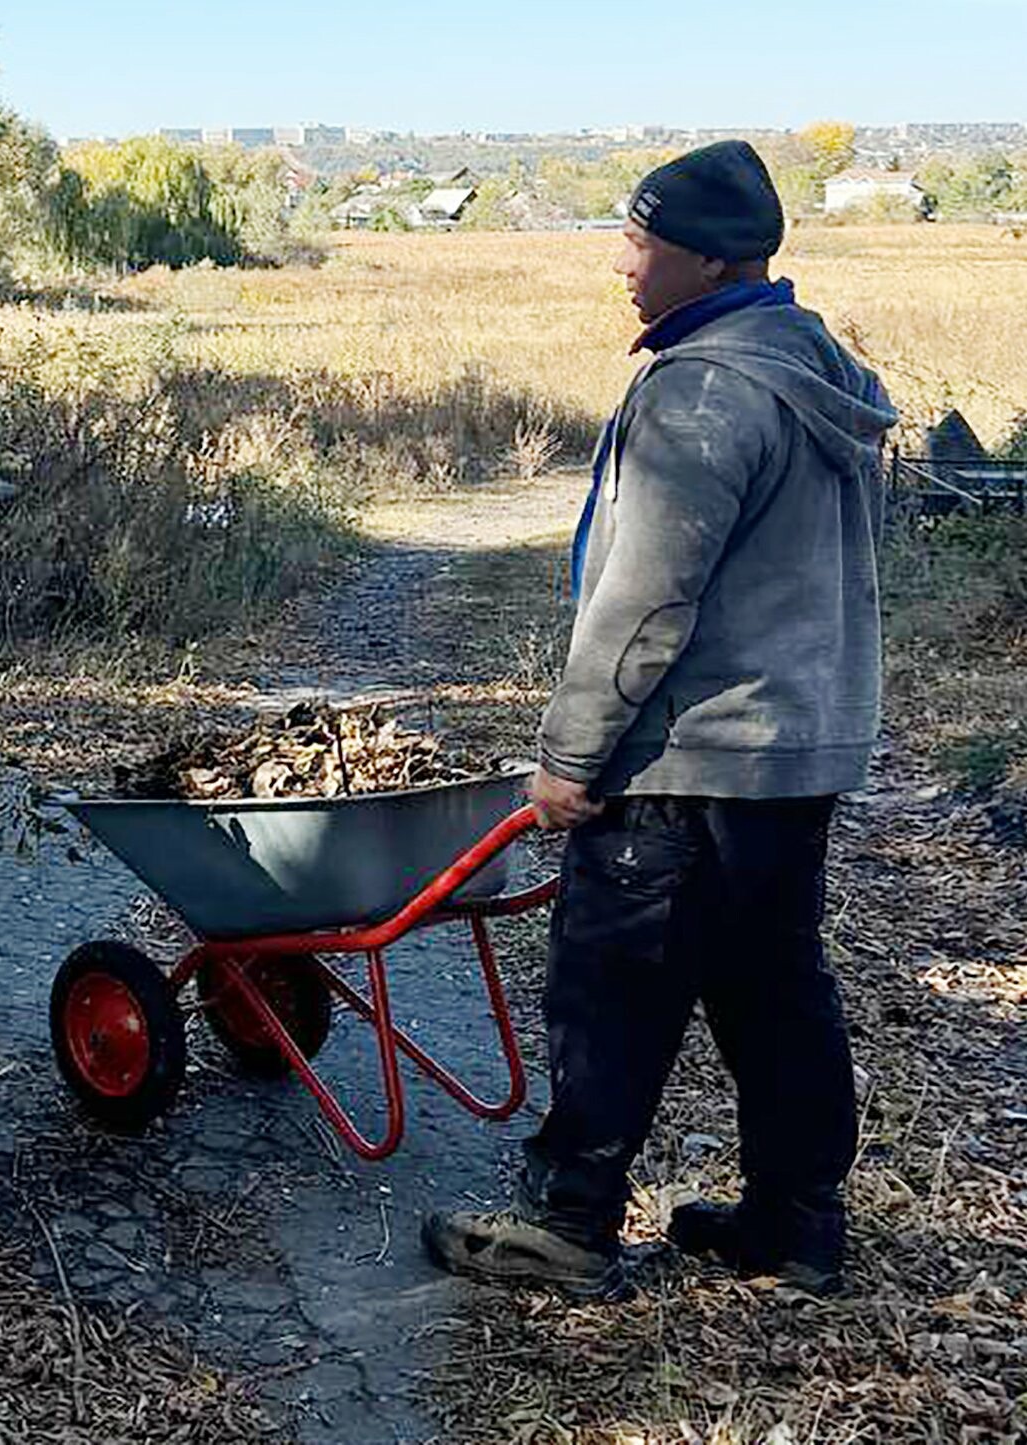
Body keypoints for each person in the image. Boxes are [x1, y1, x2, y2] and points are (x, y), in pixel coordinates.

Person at [422, 140, 897, 1301]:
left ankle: (567, 1220)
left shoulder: (702, 386)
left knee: (611, 977)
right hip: (792, 745)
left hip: (689, 750)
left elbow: (643, 598)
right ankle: (793, 1220)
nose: (620, 266)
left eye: (639, 243)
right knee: (771, 981)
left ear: (711, 257)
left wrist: (570, 756)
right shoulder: (814, 364)